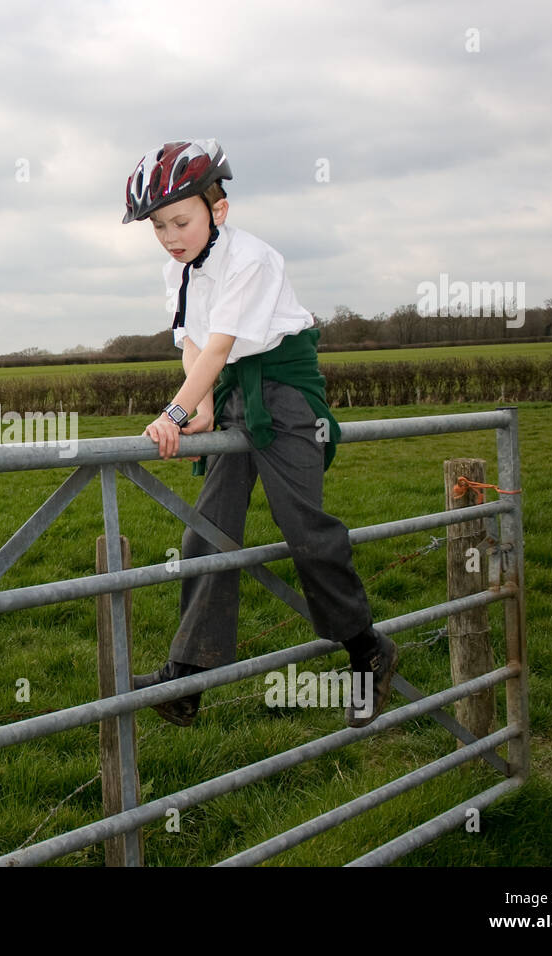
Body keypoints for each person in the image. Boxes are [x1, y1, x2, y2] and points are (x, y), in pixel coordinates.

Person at [121, 139, 398, 729]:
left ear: (217, 210)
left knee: (305, 528)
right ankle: (189, 676)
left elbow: (220, 346)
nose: (170, 235)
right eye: (158, 226)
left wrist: (172, 415)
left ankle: (366, 649)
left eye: (180, 220)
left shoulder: (253, 258)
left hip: (286, 393)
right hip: (230, 392)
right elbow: (194, 343)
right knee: (208, 530)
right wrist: (198, 409)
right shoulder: (178, 270)